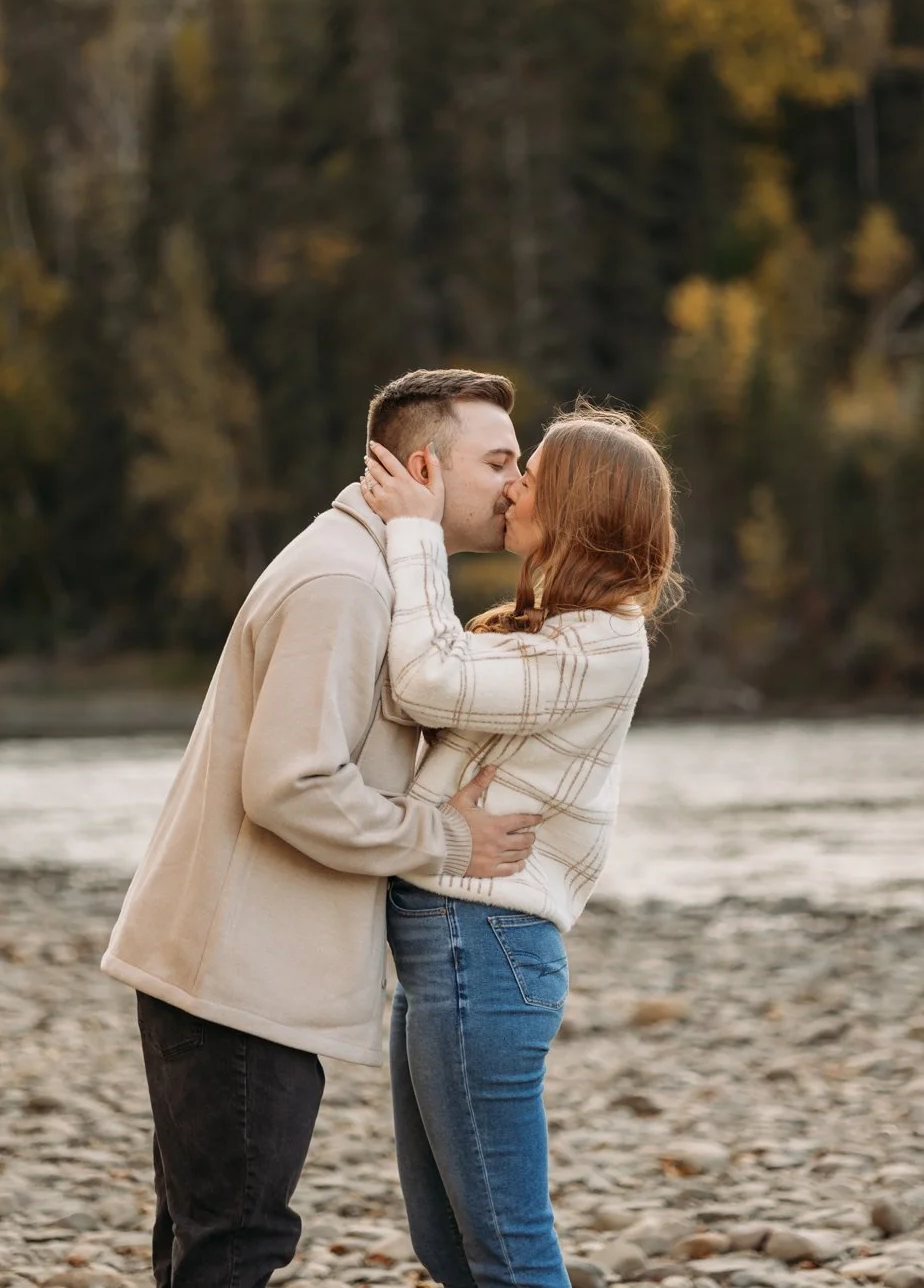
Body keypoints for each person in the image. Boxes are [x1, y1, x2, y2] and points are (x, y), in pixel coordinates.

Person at [101, 368, 544, 1288]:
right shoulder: (344, 581)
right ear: (425, 463)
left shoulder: (366, 567)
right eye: (500, 460)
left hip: (238, 966)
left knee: (204, 1236)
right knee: (235, 1241)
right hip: (237, 978)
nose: (519, 481)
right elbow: (292, 785)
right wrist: (447, 840)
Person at [361, 402, 681, 1288]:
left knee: (506, 1253)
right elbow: (440, 693)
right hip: (451, 949)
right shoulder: (551, 631)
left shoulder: (603, 646)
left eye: (529, 475)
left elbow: (426, 679)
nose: (510, 489)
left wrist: (416, 535)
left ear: (573, 510)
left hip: (484, 949)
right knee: (451, 1249)